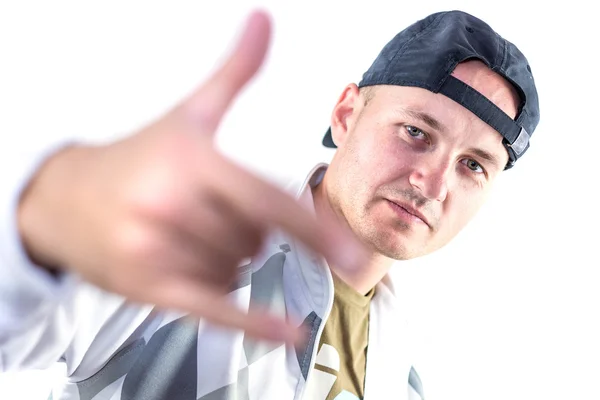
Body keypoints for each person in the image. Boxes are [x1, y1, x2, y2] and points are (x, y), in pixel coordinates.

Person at [0, 8, 539, 400]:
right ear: (347, 114)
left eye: (473, 165)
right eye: (416, 132)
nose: (433, 181)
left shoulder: (406, 378)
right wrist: (42, 218)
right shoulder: (195, 246)